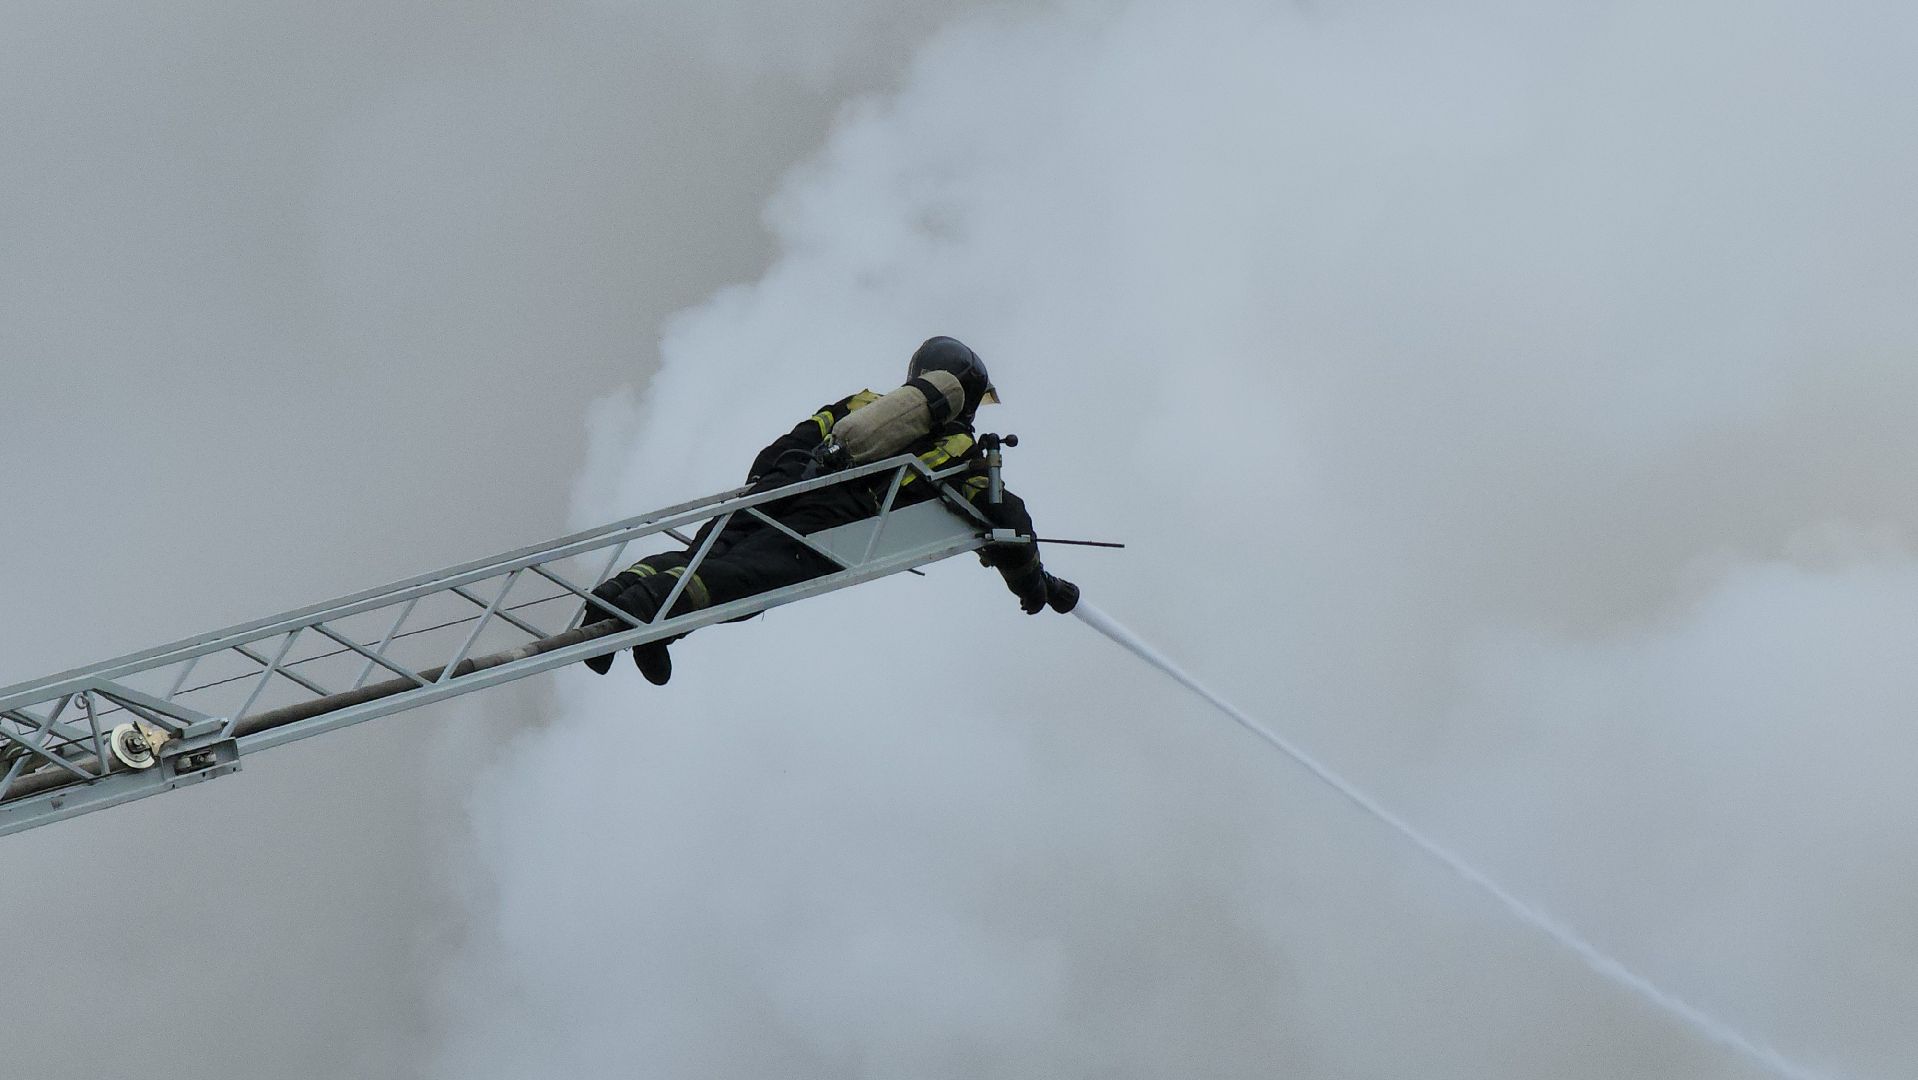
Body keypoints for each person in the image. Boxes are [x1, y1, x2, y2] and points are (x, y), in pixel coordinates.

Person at [580, 336, 1074, 684]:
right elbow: (1008, 520)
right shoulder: (960, 448)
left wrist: (768, 488)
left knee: (706, 558)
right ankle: (646, 610)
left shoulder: (863, 402)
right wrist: (1035, 587)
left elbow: (785, 443)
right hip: (831, 520)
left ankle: (618, 600)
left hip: (776, 484)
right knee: (743, 582)